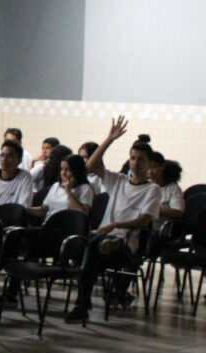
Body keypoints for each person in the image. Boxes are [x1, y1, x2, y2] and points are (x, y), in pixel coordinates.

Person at [66, 116, 161, 323]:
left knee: (90, 252)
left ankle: (82, 306)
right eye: (133, 158)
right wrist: (109, 139)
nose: (135, 163)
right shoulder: (118, 180)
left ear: (149, 164)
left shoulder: (153, 190)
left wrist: (115, 225)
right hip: (101, 238)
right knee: (89, 252)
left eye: (141, 160)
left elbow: (144, 221)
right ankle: (82, 304)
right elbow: (90, 166)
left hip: (126, 245)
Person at [28, 153, 94, 222]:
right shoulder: (56, 185)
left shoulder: (85, 188)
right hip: (49, 225)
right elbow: (43, 210)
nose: (63, 173)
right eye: (62, 169)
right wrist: (27, 209)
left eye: (67, 169)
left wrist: (68, 191)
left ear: (76, 171)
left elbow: (83, 213)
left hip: (69, 228)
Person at [0, 139, 35, 207]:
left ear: (19, 160)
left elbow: (24, 206)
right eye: (2, 155)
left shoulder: (25, 177)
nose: (4, 159)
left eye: (9, 156)